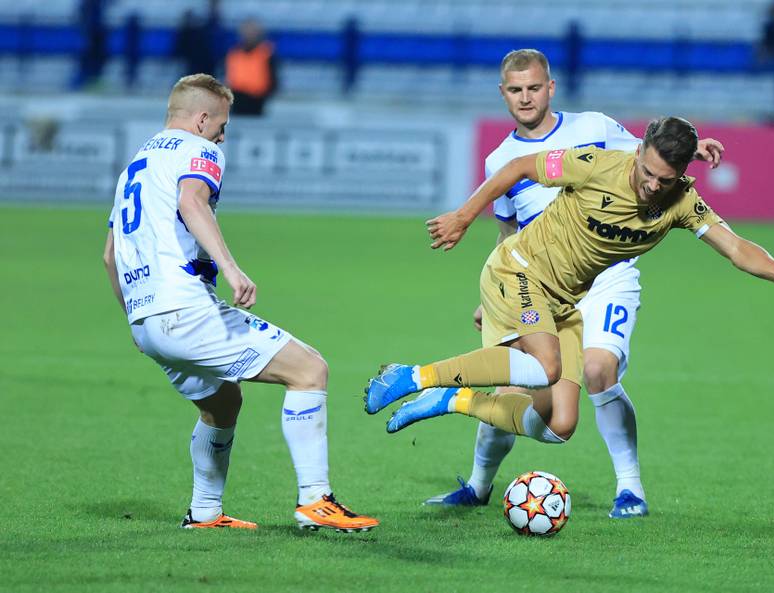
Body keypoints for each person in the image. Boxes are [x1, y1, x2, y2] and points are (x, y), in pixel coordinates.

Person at [364, 116, 774, 486]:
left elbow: (735, 246)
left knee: (559, 426)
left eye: (666, 179)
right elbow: (520, 167)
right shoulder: (597, 164)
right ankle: (414, 376)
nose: (653, 186)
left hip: (564, 300)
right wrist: (464, 217)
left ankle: (450, 402)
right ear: (637, 152)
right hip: (520, 269)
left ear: (681, 176)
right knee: (546, 368)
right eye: (648, 173)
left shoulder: (682, 201)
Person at [420, 49, 725, 519]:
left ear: (551, 88)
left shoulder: (595, 128)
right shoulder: (500, 159)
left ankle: (631, 490)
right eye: (516, 90)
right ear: (503, 95)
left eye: (534, 88)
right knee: (514, 393)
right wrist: (493, 300)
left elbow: (654, 156)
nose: (526, 98)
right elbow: (507, 234)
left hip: (606, 276)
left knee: (601, 369)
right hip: (536, 280)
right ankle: (479, 486)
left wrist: (695, 144)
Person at [102, 74, 377, 532]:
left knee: (223, 402)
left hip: (146, 320)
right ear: (202, 118)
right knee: (310, 370)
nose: (223, 135)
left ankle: (205, 512)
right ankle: (315, 500)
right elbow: (193, 201)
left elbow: (109, 256)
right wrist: (230, 268)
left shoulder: (136, 165)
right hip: (184, 309)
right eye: (222, 124)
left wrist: (134, 320)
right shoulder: (200, 150)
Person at [225, 19, 278, 116]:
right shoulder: (234, 54)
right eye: (246, 31)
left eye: (252, 31)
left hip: (258, 102)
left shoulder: (267, 53)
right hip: (237, 102)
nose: (249, 34)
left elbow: (274, 80)